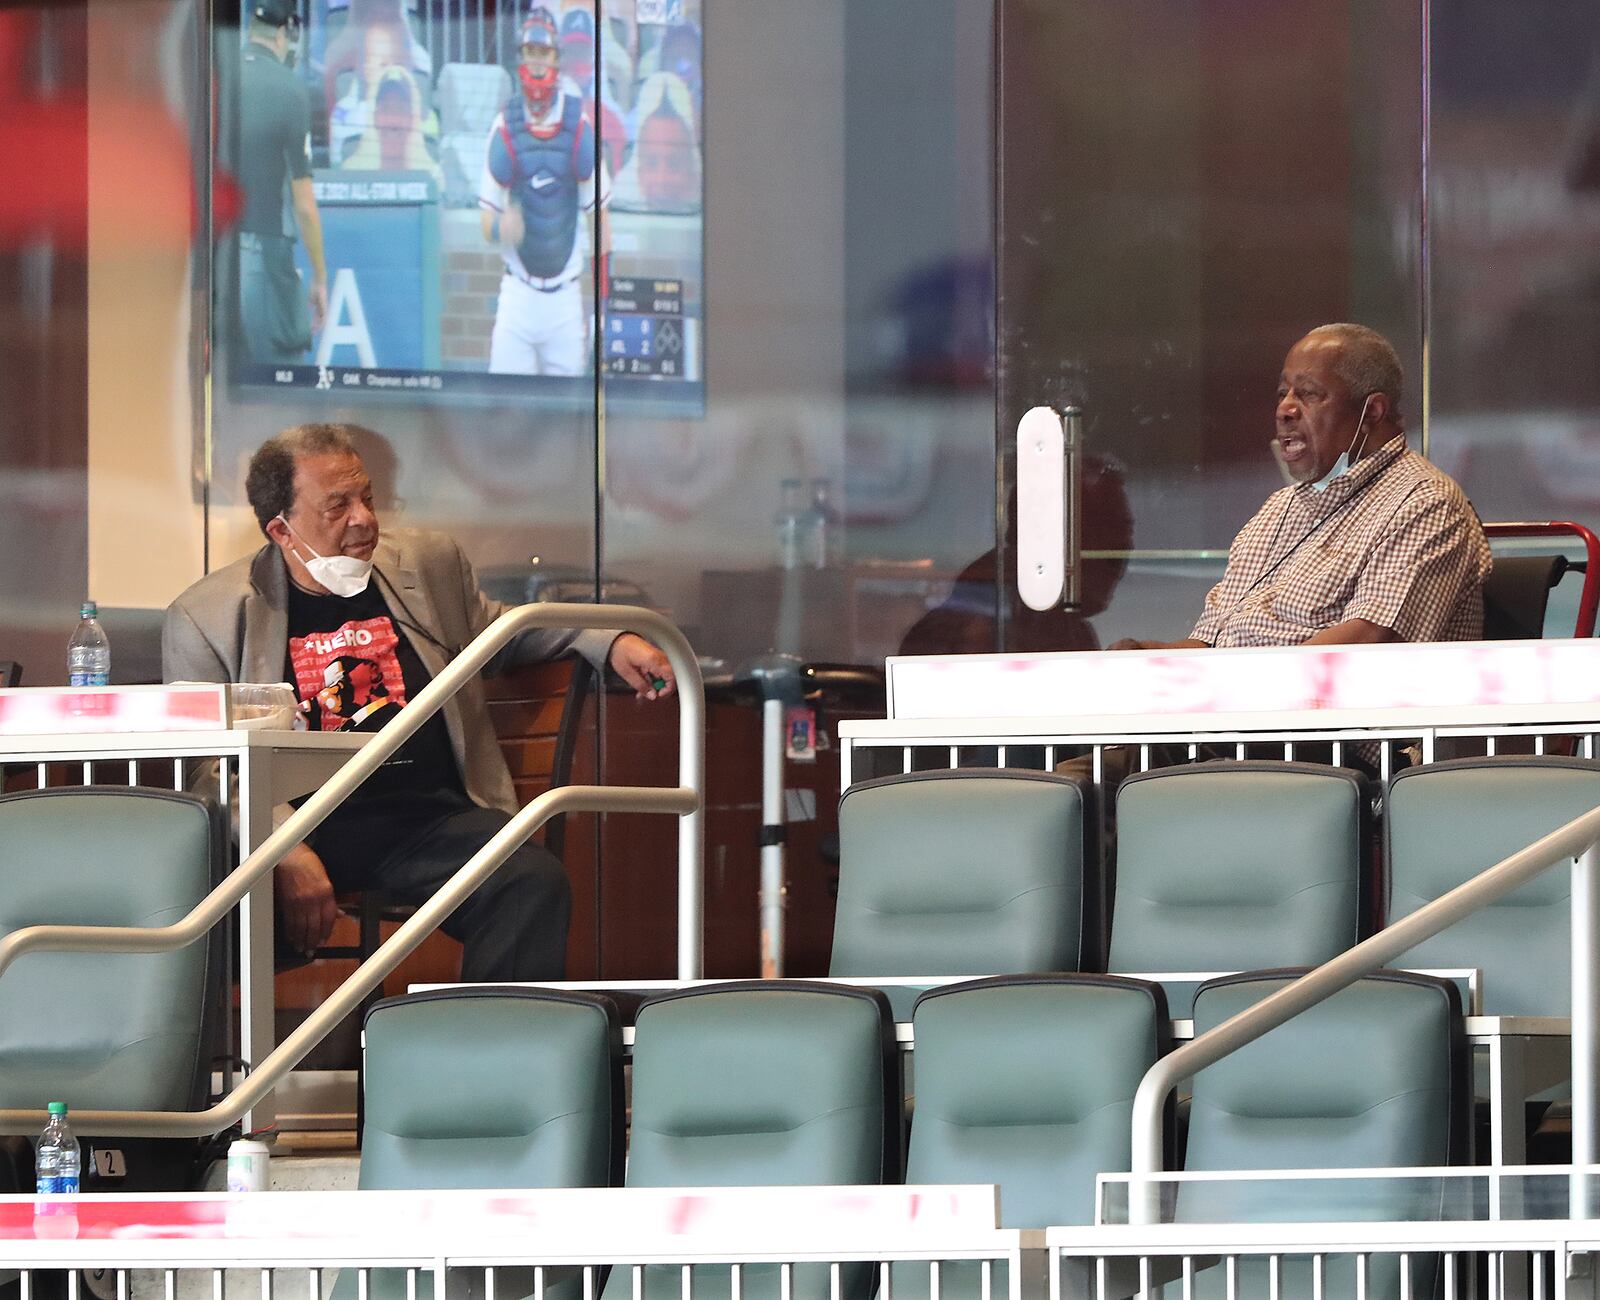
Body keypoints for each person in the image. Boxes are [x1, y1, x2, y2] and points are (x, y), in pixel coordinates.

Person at [162, 422, 676, 980]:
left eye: (368, 498)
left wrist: (606, 640)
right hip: (299, 823)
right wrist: (285, 850)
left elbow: (498, 630)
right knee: (191, 906)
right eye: (338, 507)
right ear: (282, 530)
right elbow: (211, 766)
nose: (363, 519)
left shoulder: (424, 565)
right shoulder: (208, 617)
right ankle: (211, 1065)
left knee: (530, 881)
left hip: (423, 818)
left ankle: (482, 1061)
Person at [1113, 323, 1492, 651]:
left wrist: (1218, 692)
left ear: (1372, 412)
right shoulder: (1279, 509)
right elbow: (1211, 644)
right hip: (1237, 722)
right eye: (1283, 394)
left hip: (1330, 730)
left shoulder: (1425, 504)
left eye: (1309, 394)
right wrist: (1149, 658)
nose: (1285, 410)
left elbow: (1366, 649)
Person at [478, 8, 607, 376]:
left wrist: (601, 307)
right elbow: (485, 221)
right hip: (517, 294)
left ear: (557, 58)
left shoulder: (578, 125)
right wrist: (502, 229)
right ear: (521, 58)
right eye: (530, 52)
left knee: (567, 418)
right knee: (503, 408)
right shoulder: (505, 124)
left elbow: (600, 218)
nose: (536, 63)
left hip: (565, 300)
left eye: (544, 53)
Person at [237, 0, 327, 365]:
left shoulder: (217, 75)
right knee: (278, 392)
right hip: (262, 264)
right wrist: (320, 277)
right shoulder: (289, 90)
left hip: (213, 262)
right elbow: (303, 204)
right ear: (282, 33)